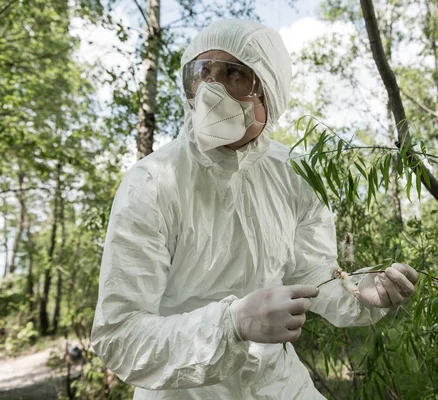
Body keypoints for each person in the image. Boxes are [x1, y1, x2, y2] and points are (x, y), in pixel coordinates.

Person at [91, 19, 419, 399]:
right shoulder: (153, 182)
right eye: (201, 72)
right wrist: (232, 325)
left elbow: (312, 272)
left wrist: (358, 291)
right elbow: (120, 335)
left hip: (278, 383)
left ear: (270, 91)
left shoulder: (294, 174)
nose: (210, 88)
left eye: (233, 73)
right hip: (185, 390)